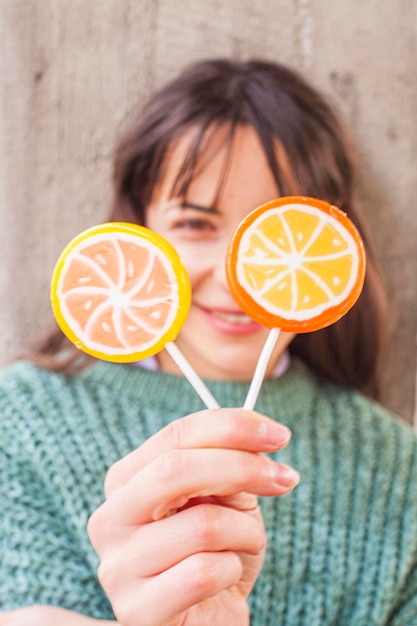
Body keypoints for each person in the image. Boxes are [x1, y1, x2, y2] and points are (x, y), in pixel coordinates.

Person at [1, 58, 416, 626]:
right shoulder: (19, 423)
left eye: (278, 231)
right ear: (140, 233)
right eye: (195, 224)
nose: (234, 276)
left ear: (331, 248)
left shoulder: (398, 469)